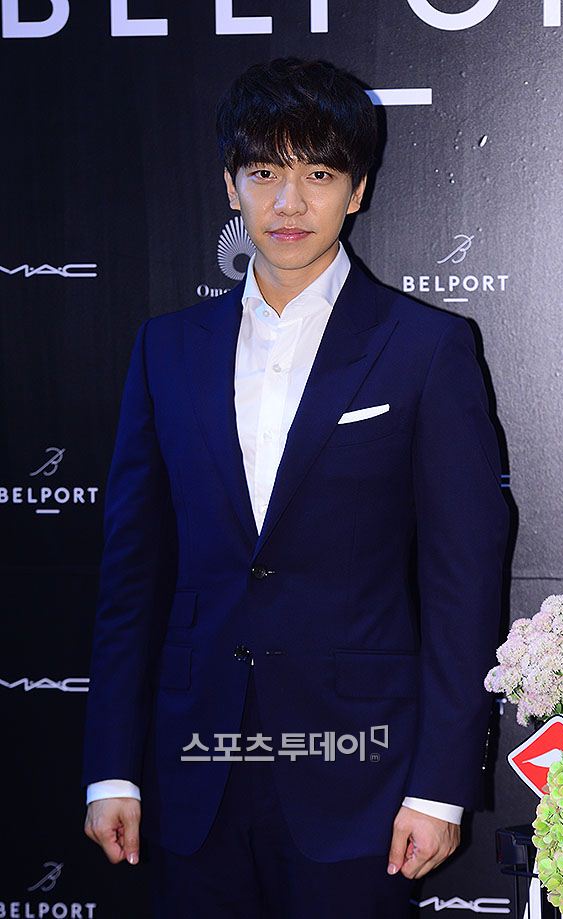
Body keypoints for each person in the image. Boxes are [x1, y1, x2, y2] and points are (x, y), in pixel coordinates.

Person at [81, 56, 510, 918]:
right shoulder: (166, 348)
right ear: (230, 186)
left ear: (357, 191)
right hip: (192, 771)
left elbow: (463, 584)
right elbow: (132, 577)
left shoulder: (426, 348)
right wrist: (112, 767)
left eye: (317, 174)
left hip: (363, 780)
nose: (288, 202)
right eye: (264, 172)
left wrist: (440, 785)